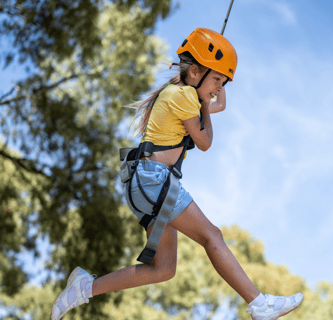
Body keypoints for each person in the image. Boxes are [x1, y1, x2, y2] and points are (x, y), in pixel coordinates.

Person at [51, 28, 303, 320]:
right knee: (212, 236)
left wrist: (208, 99)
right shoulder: (183, 96)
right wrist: (205, 106)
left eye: (224, 82)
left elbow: (217, 104)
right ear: (195, 72)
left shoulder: (183, 97)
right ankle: (259, 303)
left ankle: (84, 288)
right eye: (217, 79)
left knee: (163, 269)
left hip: (144, 184)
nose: (219, 88)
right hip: (153, 179)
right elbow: (205, 142)